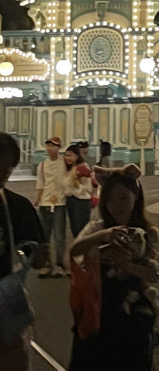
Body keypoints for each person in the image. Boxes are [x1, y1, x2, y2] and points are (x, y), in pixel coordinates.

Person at [69, 171, 159, 370]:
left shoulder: (148, 233)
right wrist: (103, 236)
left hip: (134, 317)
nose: (117, 205)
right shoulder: (97, 228)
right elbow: (74, 252)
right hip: (99, 311)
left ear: (135, 197)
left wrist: (127, 265)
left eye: (123, 198)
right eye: (110, 200)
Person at [0, 132, 44, 371]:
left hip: (6, 310)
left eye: (6, 169)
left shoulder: (19, 207)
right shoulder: (18, 207)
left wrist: (34, 256)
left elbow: (40, 257)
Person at [34, 135, 67, 278]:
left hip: (60, 203)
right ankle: (46, 264)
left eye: (53, 145)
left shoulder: (65, 163)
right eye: (48, 145)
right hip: (45, 203)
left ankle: (59, 265)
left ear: (59, 148)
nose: (50, 148)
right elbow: (40, 183)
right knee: (44, 235)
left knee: (59, 236)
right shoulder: (42, 165)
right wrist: (38, 199)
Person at [64, 144, 94, 238]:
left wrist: (77, 184)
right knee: (74, 228)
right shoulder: (70, 168)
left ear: (77, 156)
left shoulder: (83, 167)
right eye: (66, 155)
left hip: (81, 201)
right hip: (71, 200)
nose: (67, 158)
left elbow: (89, 188)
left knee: (81, 229)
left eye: (70, 155)